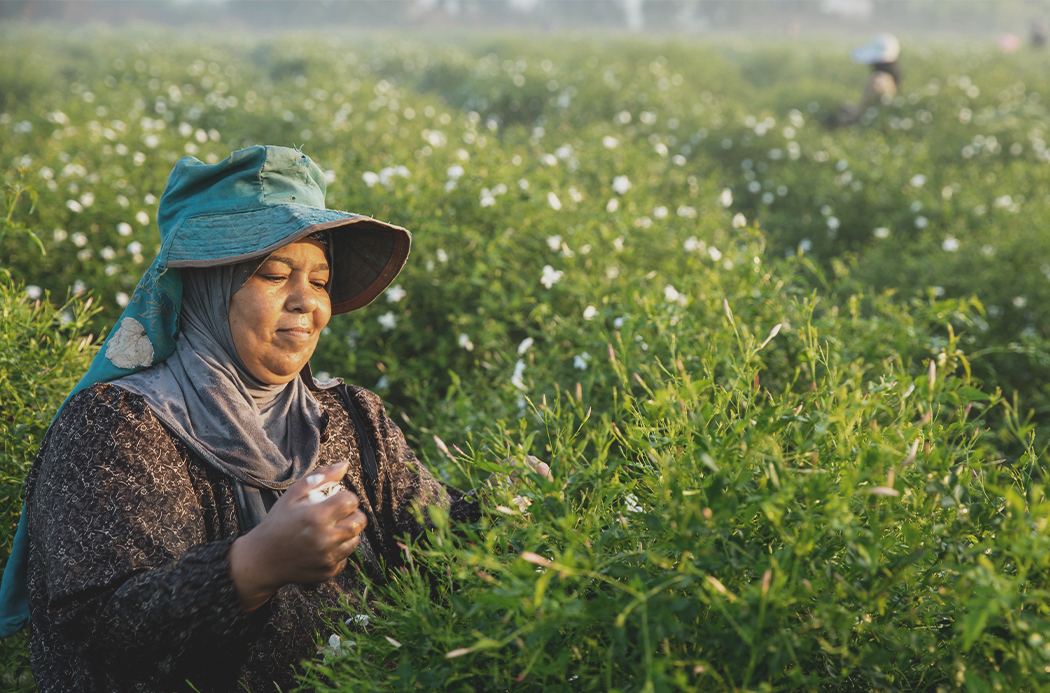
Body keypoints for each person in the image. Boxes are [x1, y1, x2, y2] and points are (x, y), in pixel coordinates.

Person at [0, 145, 548, 692]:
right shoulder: (115, 425)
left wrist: (510, 508)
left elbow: (437, 548)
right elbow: (99, 629)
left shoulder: (351, 417)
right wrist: (252, 567)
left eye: (319, 280)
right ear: (206, 286)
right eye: (274, 274)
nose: (305, 301)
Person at [827, 33, 901, 127]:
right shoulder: (890, 78)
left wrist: (838, 120)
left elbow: (862, 115)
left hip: (868, 124)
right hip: (878, 121)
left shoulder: (877, 81)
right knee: (845, 105)